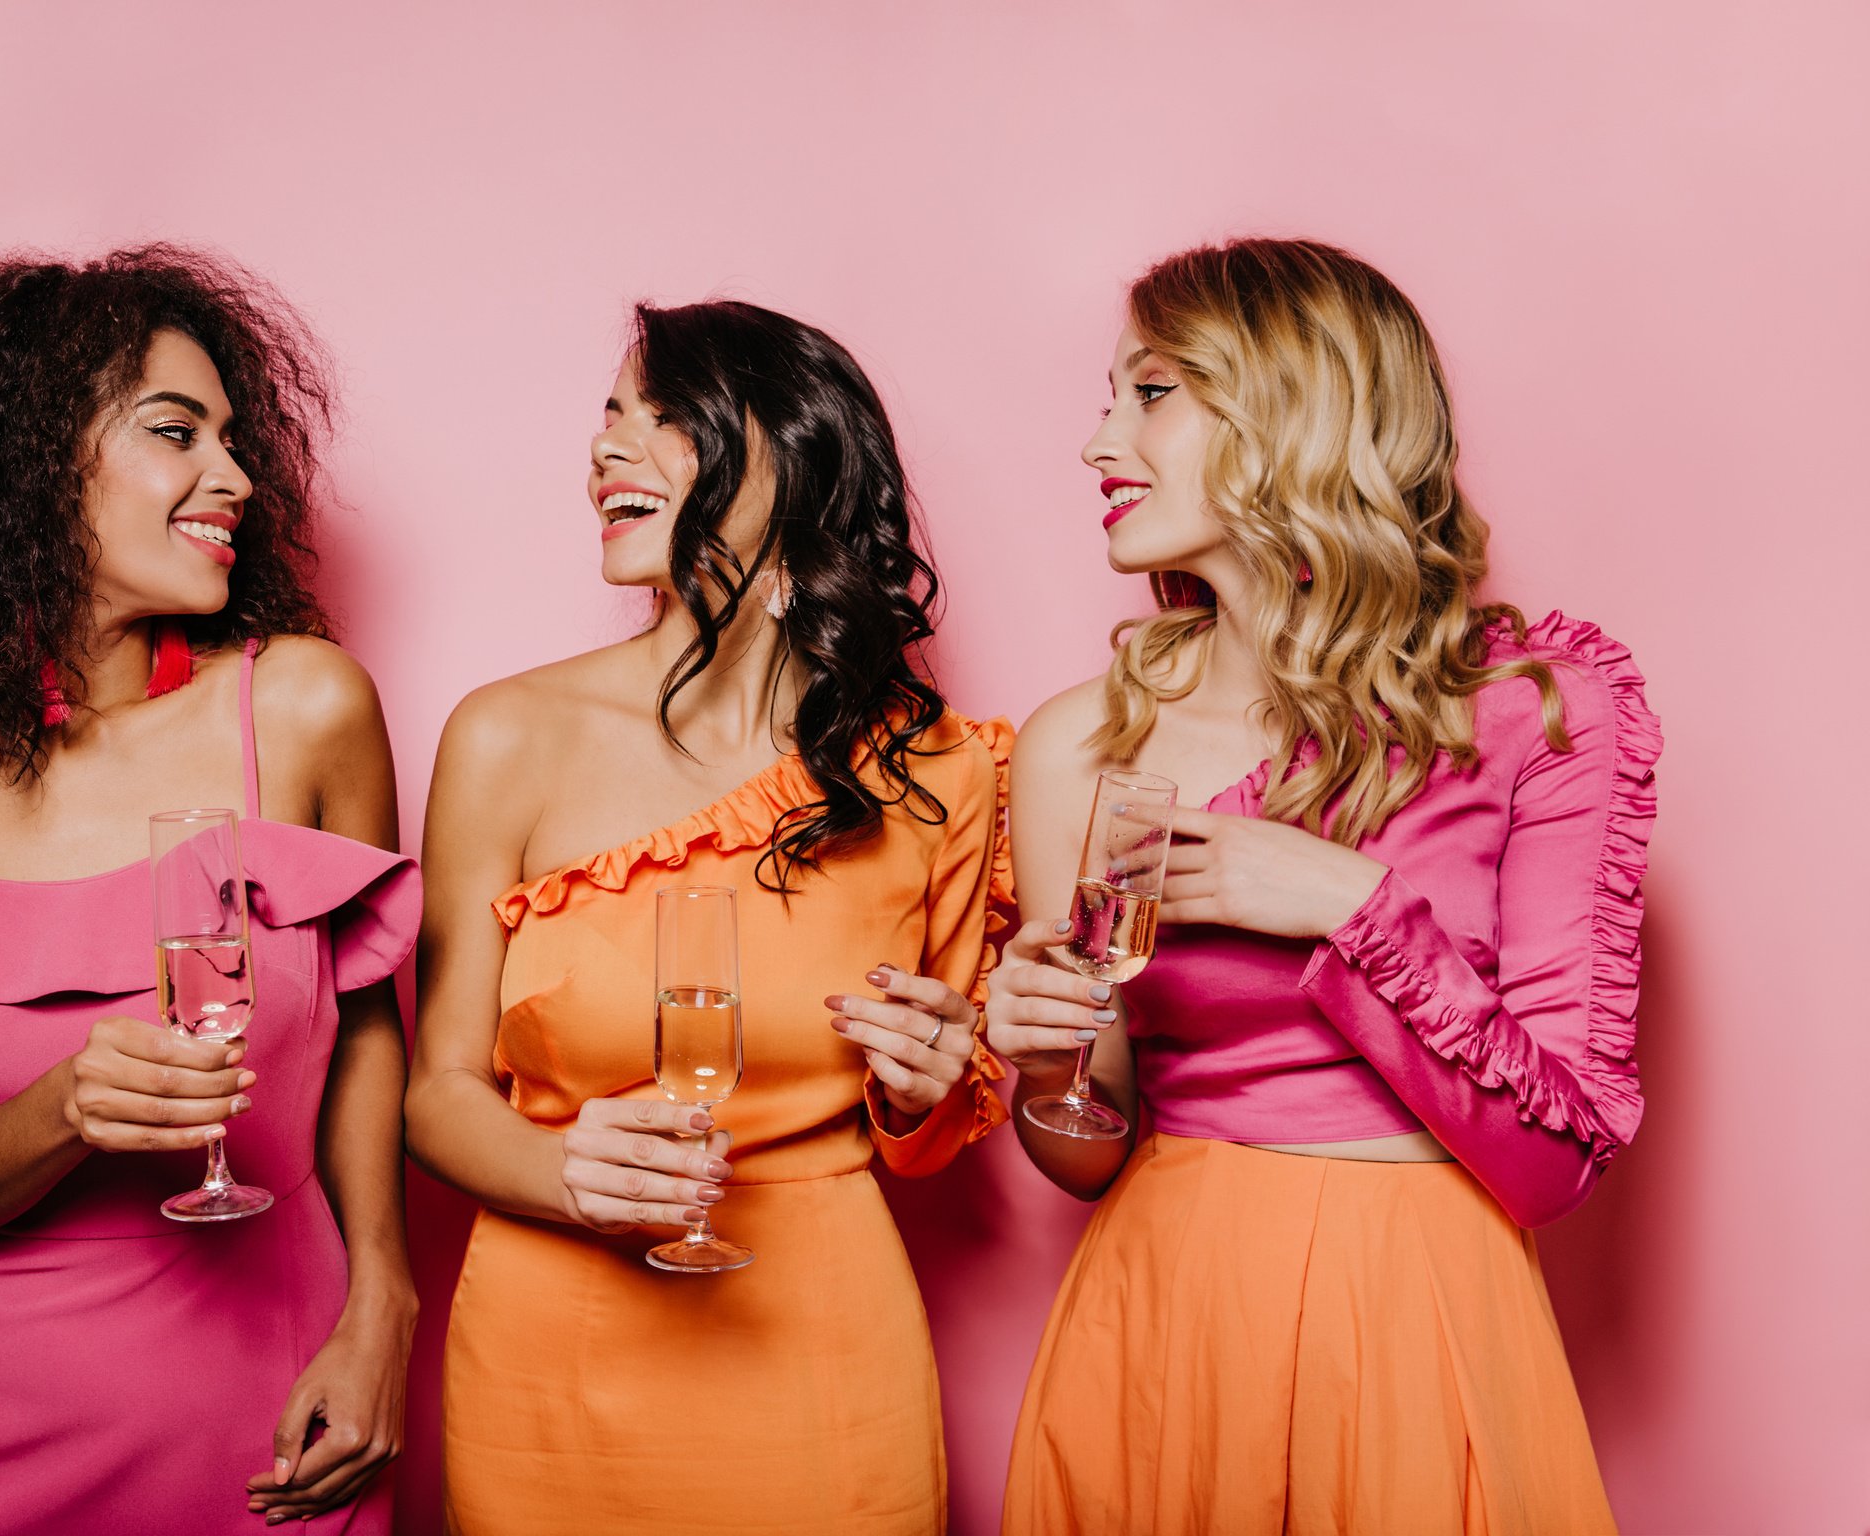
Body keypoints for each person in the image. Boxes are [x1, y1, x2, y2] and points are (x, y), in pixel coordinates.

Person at [990, 238, 1659, 1534]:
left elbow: (1554, 1166)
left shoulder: (1537, 714)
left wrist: (1349, 907)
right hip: (1164, 1319)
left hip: (1420, 1314)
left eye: (1152, 392)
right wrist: (1052, 1065)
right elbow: (1083, 1155)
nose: (1097, 443)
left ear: (1294, 410)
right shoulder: (1086, 742)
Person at [0, 248, 419, 1534]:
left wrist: (382, 1304)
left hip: (281, 1413)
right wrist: (67, 1107)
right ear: (18, 468)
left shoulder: (302, 707)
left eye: (235, 439)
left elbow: (370, 1034)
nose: (233, 477)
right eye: (177, 433)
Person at [407, 300, 1010, 1535]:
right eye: (607, 420)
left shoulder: (937, 772)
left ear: (792, 452)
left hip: (825, 1367)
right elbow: (435, 1091)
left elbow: (932, 1136)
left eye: (664, 417)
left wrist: (927, 1081)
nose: (605, 454)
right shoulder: (506, 736)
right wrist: (559, 1173)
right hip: (552, 1368)